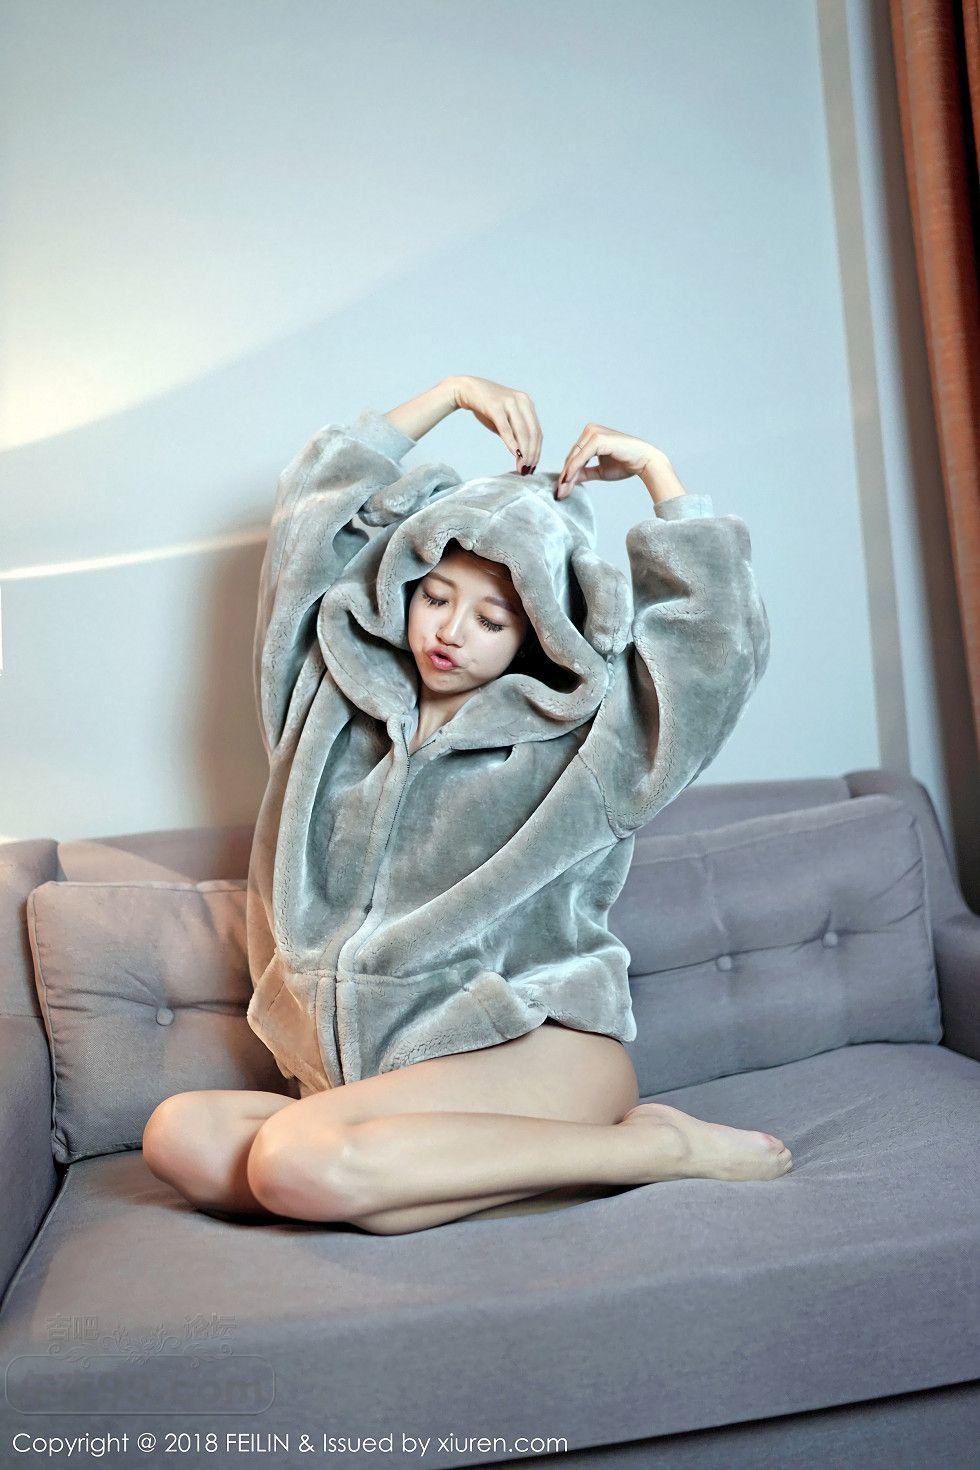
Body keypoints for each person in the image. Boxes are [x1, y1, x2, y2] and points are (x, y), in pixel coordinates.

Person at [142, 374, 792, 1234]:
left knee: (299, 1164)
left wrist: (659, 477)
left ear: (535, 635)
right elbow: (309, 526)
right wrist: (446, 396)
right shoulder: (321, 704)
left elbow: (711, 661)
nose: (450, 632)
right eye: (437, 597)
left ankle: (657, 1149)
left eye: (491, 620)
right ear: (404, 585)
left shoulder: (586, 748)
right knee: (180, 1136)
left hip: (537, 1055)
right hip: (369, 1082)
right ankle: (387, 1173)